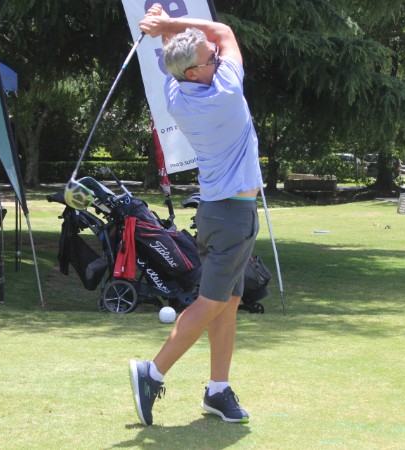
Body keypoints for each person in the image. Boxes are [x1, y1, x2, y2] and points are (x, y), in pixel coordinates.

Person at [130, 5, 263, 426]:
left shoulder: (177, 94)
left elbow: (186, 53)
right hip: (233, 217)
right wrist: (168, 24)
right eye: (211, 60)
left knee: (230, 301)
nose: (218, 59)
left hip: (215, 214)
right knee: (211, 302)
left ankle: (217, 390)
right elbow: (223, 31)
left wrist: (161, 30)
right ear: (194, 73)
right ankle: (152, 372)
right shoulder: (227, 92)